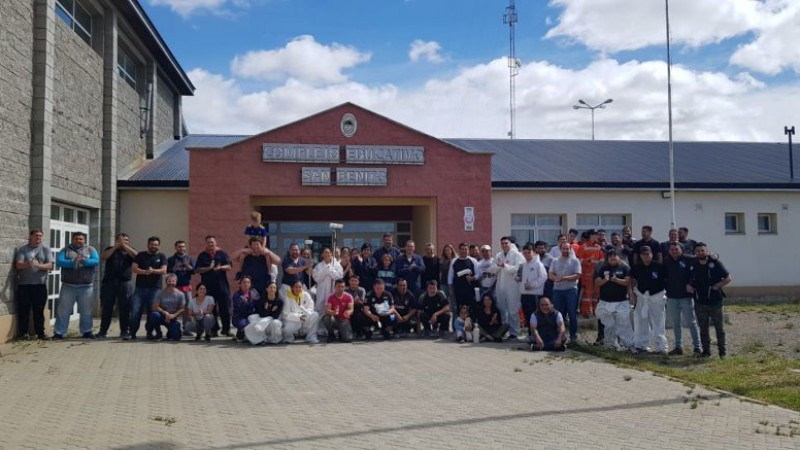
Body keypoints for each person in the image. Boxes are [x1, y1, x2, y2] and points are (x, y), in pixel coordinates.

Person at [687, 243, 732, 358]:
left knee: (719, 328)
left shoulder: (715, 264)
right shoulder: (693, 265)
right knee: (703, 329)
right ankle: (706, 351)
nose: (700, 253)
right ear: (695, 253)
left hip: (715, 302)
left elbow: (728, 278)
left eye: (702, 250)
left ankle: (722, 352)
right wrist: (689, 286)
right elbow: (689, 279)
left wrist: (718, 285)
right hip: (699, 302)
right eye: (698, 251)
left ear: (706, 251)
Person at [54, 232, 99, 340]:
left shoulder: (91, 249)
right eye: (76, 239)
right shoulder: (65, 250)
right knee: (63, 310)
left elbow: (96, 261)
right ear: (72, 239)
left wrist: (85, 261)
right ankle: (59, 333)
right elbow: (59, 261)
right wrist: (72, 262)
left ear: (84, 240)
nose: (78, 241)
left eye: (81, 239)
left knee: (86, 310)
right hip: (68, 286)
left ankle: (87, 331)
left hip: (86, 286)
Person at [14, 229, 53, 340]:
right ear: (30, 236)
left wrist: (38, 266)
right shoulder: (23, 249)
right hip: (24, 285)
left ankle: (40, 333)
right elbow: (18, 265)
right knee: (23, 310)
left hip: (39, 285)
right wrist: (28, 264)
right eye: (36, 235)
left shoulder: (45, 250)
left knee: (39, 311)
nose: (38, 238)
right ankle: (23, 333)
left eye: (40, 236)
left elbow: (50, 265)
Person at [664, 242, 702, 355]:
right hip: (671, 297)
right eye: (672, 249)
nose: (674, 251)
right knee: (676, 323)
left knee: (691, 322)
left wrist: (692, 284)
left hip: (686, 297)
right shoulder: (666, 261)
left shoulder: (690, 259)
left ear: (681, 249)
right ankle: (678, 347)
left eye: (676, 249)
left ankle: (697, 347)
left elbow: (698, 271)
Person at [629, 246, 668, 354]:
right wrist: (632, 295)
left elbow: (666, 280)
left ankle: (661, 347)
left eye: (647, 254)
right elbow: (632, 280)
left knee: (658, 323)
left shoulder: (659, 266)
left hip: (657, 296)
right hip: (641, 296)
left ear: (651, 254)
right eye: (643, 254)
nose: (646, 256)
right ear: (640, 256)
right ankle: (641, 345)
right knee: (641, 322)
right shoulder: (636, 267)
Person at [594, 250, 634, 351]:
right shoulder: (603, 268)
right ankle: (610, 345)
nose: (612, 258)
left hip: (621, 301)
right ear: (607, 258)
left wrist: (616, 280)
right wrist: (605, 280)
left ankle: (630, 345)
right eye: (610, 256)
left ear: (618, 257)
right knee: (609, 325)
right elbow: (597, 282)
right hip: (605, 301)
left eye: (614, 256)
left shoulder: (625, 267)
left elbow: (628, 281)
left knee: (624, 324)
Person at [98, 233, 136, 339]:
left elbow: (136, 256)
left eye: (126, 240)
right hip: (109, 283)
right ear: (115, 241)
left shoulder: (130, 250)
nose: (123, 242)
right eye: (120, 240)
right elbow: (103, 257)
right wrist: (115, 247)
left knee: (125, 308)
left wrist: (124, 246)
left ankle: (124, 331)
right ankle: (103, 331)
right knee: (107, 308)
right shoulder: (110, 249)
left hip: (124, 283)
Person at [129, 236, 168, 340]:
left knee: (152, 312)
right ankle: (131, 333)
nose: (153, 246)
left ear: (159, 246)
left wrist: (153, 271)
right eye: (151, 244)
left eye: (156, 245)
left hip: (155, 289)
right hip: (140, 288)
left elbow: (164, 271)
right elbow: (134, 268)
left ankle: (149, 333)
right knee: (135, 311)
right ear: (148, 245)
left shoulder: (162, 256)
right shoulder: (140, 255)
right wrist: (144, 272)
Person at [487, 236, 525, 340]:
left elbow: (518, 269)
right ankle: (504, 331)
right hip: (501, 286)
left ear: (510, 243)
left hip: (513, 286)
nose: (504, 245)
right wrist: (499, 266)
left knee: (513, 310)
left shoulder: (517, 254)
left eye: (506, 243)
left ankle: (514, 332)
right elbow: (493, 269)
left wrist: (505, 266)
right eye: (502, 243)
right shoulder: (499, 254)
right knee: (501, 309)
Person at [195, 236, 233, 336]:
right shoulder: (202, 255)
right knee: (211, 309)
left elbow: (229, 266)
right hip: (208, 286)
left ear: (215, 242)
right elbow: (197, 269)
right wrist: (208, 268)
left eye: (212, 242)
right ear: (206, 244)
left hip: (222, 286)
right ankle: (214, 329)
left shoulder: (222, 253)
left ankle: (226, 329)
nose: (210, 244)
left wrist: (220, 267)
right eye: (208, 242)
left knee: (225, 307)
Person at [549, 242, 581, 342]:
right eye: (563, 249)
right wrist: (556, 278)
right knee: (558, 314)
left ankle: (573, 335)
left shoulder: (575, 261)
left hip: (570, 290)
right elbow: (550, 275)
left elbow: (578, 275)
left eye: (567, 249)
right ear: (560, 249)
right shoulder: (555, 261)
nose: (565, 250)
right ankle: (559, 335)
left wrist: (564, 278)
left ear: (570, 249)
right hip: (557, 291)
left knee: (572, 314)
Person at [167, 240, 194, 336]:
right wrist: (175, 267)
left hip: (186, 286)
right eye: (179, 246)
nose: (181, 248)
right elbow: (167, 272)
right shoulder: (171, 259)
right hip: (174, 287)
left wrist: (187, 265)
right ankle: (172, 328)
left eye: (183, 246)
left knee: (187, 308)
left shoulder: (190, 258)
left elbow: (194, 271)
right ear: (175, 248)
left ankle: (186, 329)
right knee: (173, 308)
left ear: (185, 247)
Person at [517, 242, 547, 328]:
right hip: (524, 294)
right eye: (525, 253)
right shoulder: (522, 265)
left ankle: (536, 336)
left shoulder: (538, 264)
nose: (526, 255)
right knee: (527, 316)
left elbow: (543, 277)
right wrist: (517, 278)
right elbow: (519, 277)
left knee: (535, 316)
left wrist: (532, 285)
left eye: (529, 252)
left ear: (534, 252)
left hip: (535, 294)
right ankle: (531, 335)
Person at [147, 274, 185, 341]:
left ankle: (170, 332)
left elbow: (182, 309)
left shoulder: (180, 294)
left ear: (176, 282)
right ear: (166, 282)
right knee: (154, 315)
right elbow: (155, 307)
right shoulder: (160, 293)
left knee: (175, 337)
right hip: (162, 316)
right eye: (169, 281)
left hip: (173, 318)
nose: (171, 283)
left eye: (173, 281)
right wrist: (164, 313)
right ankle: (158, 334)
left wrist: (173, 315)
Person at [576, 230, 604, 318]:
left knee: (596, 293)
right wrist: (586, 261)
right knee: (587, 294)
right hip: (586, 275)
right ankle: (586, 312)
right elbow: (578, 260)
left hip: (596, 275)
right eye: (595, 235)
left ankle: (595, 311)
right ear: (590, 236)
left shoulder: (599, 247)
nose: (597, 237)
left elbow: (602, 260)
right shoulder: (583, 247)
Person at [448, 242, 479, 318]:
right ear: (459, 250)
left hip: (470, 291)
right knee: (458, 309)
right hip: (458, 290)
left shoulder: (473, 261)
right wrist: (450, 289)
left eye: (466, 249)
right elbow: (450, 276)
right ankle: (459, 328)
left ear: (468, 250)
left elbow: (478, 274)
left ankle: (469, 327)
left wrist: (472, 278)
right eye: (462, 249)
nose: (464, 251)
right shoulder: (454, 261)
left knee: (471, 309)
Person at [312, 247, 344, 316]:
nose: (327, 254)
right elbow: (316, 278)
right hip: (322, 291)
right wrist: (325, 270)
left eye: (328, 252)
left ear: (331, 254)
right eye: (325, 253)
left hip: (333, 290)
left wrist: (330, 270)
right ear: (322, 255)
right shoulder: (318, 266)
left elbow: (340, 277)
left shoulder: (337, 265)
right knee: (320, 308)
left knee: (333, 308)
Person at [231, 276, 260, 342]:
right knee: (246, 325)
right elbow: (240, 310)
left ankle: (242, 333)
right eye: (244, 282)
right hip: (240, 317)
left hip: (252, 315)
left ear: (250, 284)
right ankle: (241, 333)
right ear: (240, 284)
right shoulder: (237, 295)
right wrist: (248, 304)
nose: (246, 284)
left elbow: (258, 304)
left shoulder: (254, 292)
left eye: (248, 282)